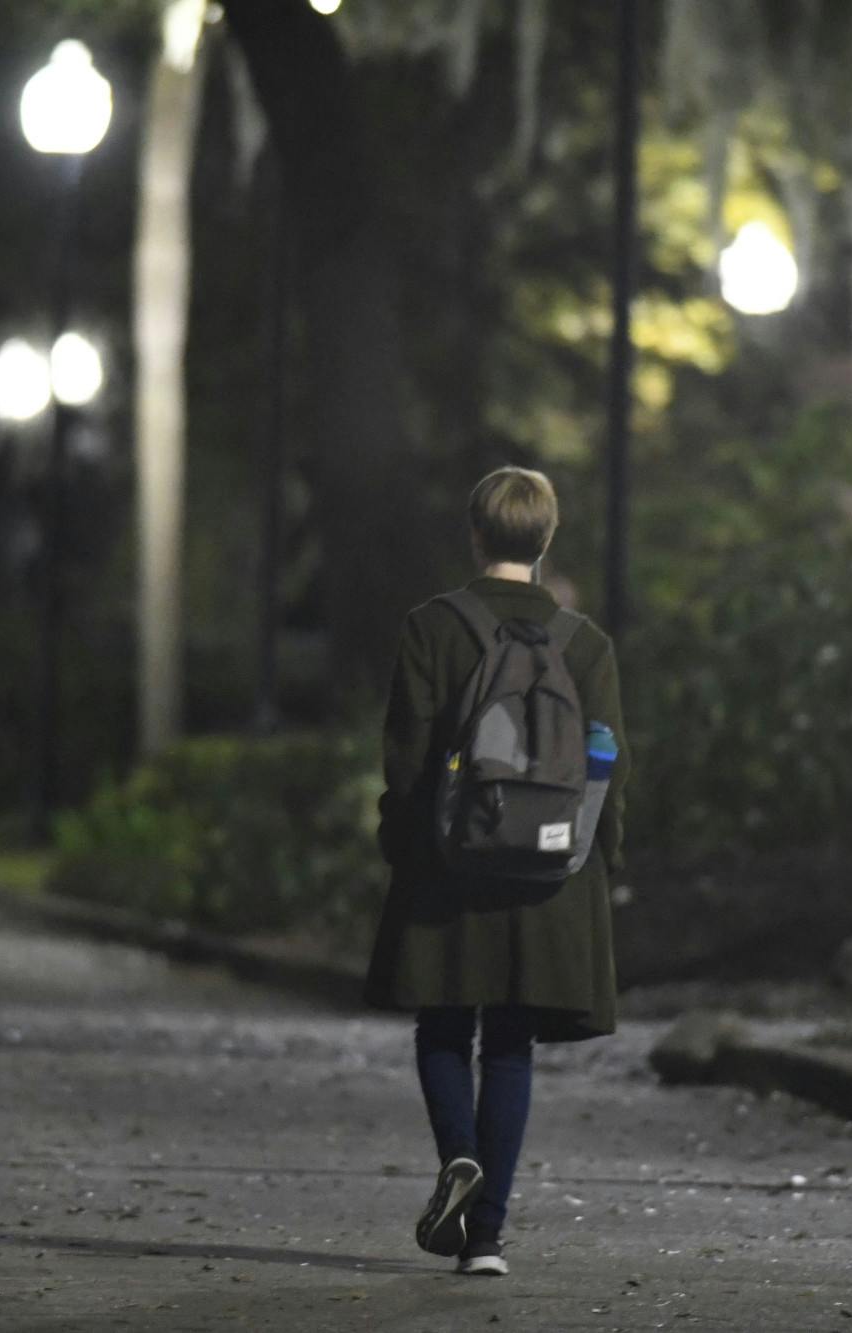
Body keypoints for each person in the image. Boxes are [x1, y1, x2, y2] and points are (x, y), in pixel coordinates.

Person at [364, 465, 628, 1277]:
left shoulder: (432, 627)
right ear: (546, 540)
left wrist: (401, 846)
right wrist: (602, 861)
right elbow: (606, 763)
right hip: (550, 870)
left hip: (452, 865)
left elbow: (406, 760)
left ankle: (457, 1156)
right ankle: (486, 1240)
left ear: (476, 535)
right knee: (511, 1046)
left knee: (444, 1027)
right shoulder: (584, 643)